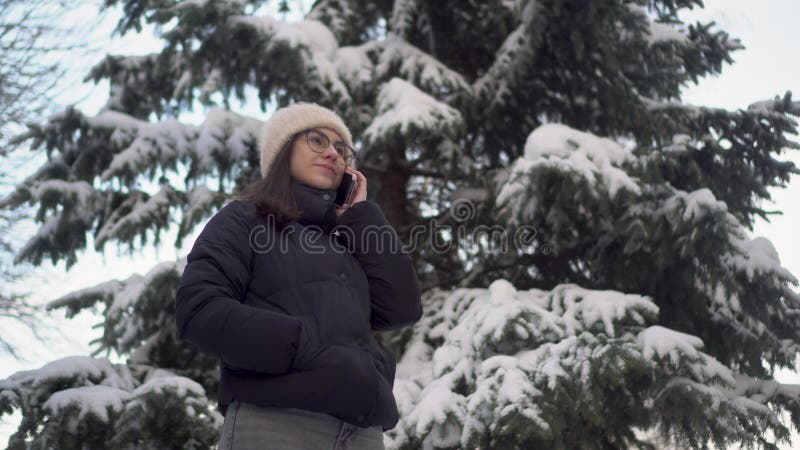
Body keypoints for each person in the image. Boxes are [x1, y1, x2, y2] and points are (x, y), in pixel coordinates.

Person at [174, 102, 423, 449]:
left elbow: (402, 308)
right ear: (283, 149)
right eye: (317, 140)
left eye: (342, 149)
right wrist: (300, 345)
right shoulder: (245, 219)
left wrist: (362, 215)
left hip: (362, 431)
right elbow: (198, 309)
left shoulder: (347, 238)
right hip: (278, 422)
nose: (333, 154)